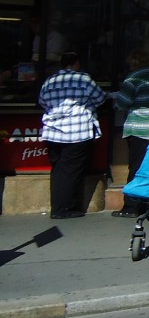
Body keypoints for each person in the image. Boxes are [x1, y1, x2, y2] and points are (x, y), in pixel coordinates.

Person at [38, 51, 107, 219]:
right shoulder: (83, 79)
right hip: (77, 132)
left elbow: (42, 101)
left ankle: (58, 206)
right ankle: (64, 209)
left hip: (53, 132)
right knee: (71, 171)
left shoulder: (50, 80)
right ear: (76, 63)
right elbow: (100, 99)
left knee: (58, 170)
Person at [110, 50, 149, 217]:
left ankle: (131, 207)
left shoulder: (134, 77)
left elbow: (122, 103)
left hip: (141, 129)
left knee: (137, 168)